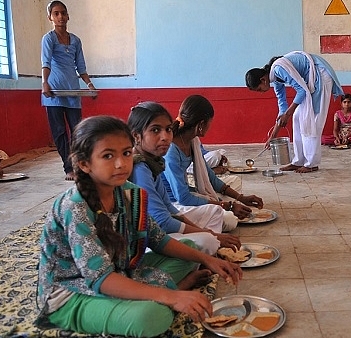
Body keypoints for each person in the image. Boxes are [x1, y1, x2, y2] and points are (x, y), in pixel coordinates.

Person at [35, 116, 242, 337]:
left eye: (126, 153)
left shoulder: (130, 192)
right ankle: (173, 291)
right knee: (151, 317)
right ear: (85, 163)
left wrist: (208, 259)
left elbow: (159, 240)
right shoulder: (75, 207)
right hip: (72, 293)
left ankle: (164, 292)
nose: (121, 164)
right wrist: (171, 297)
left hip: (121, 273)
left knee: (193, 250)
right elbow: (100, 279)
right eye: (107, 156)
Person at [128, 101, 241, 255]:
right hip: (146, 240)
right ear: (136, 136)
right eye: (155, 130)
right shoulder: (141, 169)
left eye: (168, 129)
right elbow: (164, 219)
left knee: (212, 228)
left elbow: (170, 209)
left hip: (165, 220)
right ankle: (205, 258)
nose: (165, 137)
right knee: (208, 240)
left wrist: (205, 231)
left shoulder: (153, 162)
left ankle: (206, 253)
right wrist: (211, 234)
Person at [162, 95, 264, 231]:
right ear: (201, 125)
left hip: (189, 194)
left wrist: (240, 198)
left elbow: (209, 176)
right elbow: (183, 198)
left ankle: (219, 206)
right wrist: (228, 206)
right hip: (173, 204)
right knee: (229, 220)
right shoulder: (171, 151)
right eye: (210, 122)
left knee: (234, 181)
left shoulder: (193, 141)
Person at [245, 51, 344, 173]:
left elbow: (301, 91)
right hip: (312, 78)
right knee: (297, 117)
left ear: (263, 80)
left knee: (312, 120)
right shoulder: (275, 78)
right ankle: (299, 161)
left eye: (259, 89)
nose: (261, 92)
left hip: (320, 75)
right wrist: (272, 136)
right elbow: (282, 106)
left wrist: (287, 114)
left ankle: (311, 163)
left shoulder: (278, 69)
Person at [41, 1, 96, 181]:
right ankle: (68, 168)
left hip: (72, 91)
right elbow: (46, 62)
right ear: (50, 17)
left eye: (63, 13)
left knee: (77, 131)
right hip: (54, 93)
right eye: (56, 13)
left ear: (68, 15)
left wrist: (89, 85)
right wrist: (45, 83)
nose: (60, 17)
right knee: (59, 132)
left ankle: (79, 165)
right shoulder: (48, 39)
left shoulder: (76, 41)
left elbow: (81, 66)